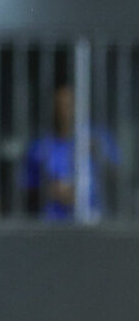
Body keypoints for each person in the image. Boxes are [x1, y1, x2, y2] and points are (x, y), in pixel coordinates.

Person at [22, 83, 118, 223]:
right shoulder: (39, 146)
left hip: (93, 222)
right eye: (59, 105)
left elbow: (119, 179)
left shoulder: (99, 138)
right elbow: (26, 187)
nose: (64, 111)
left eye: (69, 105)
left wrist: (99, 154)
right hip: (52, 223)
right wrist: (51, 191)